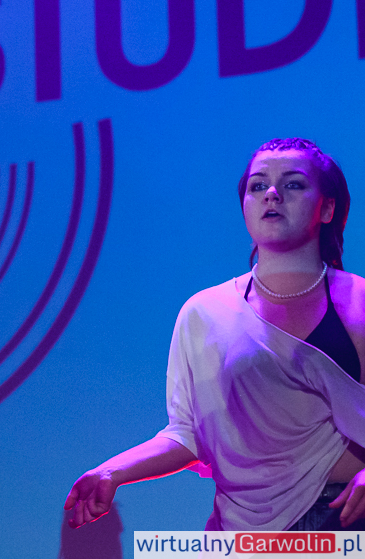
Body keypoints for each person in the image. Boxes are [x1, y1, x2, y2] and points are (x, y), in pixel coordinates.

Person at [65, 137, 365, 531]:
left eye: (292, 184)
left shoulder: (359, 302)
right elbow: (188, 433)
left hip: (346, 519)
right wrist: (112, 471)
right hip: (239, 531)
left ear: (327, 208)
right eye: (258, 185)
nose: (272, 194)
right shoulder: (204, 313)